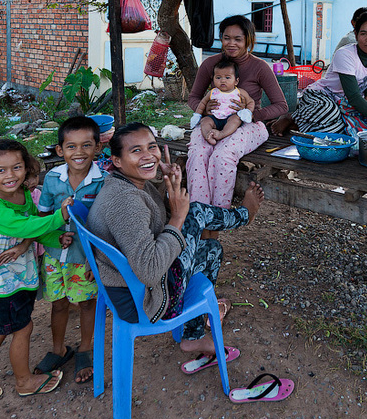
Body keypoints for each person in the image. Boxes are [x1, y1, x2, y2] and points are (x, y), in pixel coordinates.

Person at [88, 123, 264, 367]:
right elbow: (149, 271)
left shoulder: (129, 184)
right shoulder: (125, 202)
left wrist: (171, 185)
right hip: (145, 300)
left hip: (134, 285)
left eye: (152, 147)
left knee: (212, 250)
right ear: (116, 161)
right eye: (136, 151)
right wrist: (178, 217)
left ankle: (193, 337)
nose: (149, 155)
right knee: (194, 214)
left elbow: (150, 222)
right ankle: (244, 216)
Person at [0, 139, 73, 402]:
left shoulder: (22, 196)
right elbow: (25, 228)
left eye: (16, 167)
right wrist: (60, 217)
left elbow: (34, 228)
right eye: (0, 171)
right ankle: (24, 381)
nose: (10, 176)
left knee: (4, 328)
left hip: (19, 280)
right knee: (17, 328)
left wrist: (55, 239)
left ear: (26, 167)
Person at [186, 15, 287, 212]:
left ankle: (219, 214)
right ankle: (199, 213)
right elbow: (193, 98)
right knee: (198, 153)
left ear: (248, 41)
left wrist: (249, 115)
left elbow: (281, 105)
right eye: (226, 38)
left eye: (238, 39)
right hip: (213, 122)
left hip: (250, 127)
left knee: (222, 155)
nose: (231, 44)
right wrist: (204, 108)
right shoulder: (211, 65)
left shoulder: (260, 67)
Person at [33, 116, 106, 384]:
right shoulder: (52, 179)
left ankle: (85, 348)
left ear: (98, 148)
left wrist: (95, 259)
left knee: (87, 303)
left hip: (84, 259)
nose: (79, 153)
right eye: (71, 147)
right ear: (60, 150)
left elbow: (105, 226)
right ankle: (59, 349)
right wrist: (53, 237)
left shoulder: (103, 182)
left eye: (86, 145)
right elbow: (42, 219)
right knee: (59, 303)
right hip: (54, 257)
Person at [272, 10, 367, 137]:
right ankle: (292, 117)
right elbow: (353, 95)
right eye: (363, 33)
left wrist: (364, 117)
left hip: (347, 103)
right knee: (329, 112)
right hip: (322, 96)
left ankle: (298, 125)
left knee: (341, 130)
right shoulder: (345, 54)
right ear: (356, 34)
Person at [190, 57, 256, 146]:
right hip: (214, 117)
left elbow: (251, 102)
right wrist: (197, 114)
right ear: (213, 79)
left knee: (236, 120)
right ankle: (208, 135)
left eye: (227, 77)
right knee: (205, 121)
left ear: (236, 81)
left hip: (231, 116)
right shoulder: (212, 92)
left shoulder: (240, 92)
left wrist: (247, 112)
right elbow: (202, 103)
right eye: (218, 77)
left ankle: (222, 134)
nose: (223, 80)